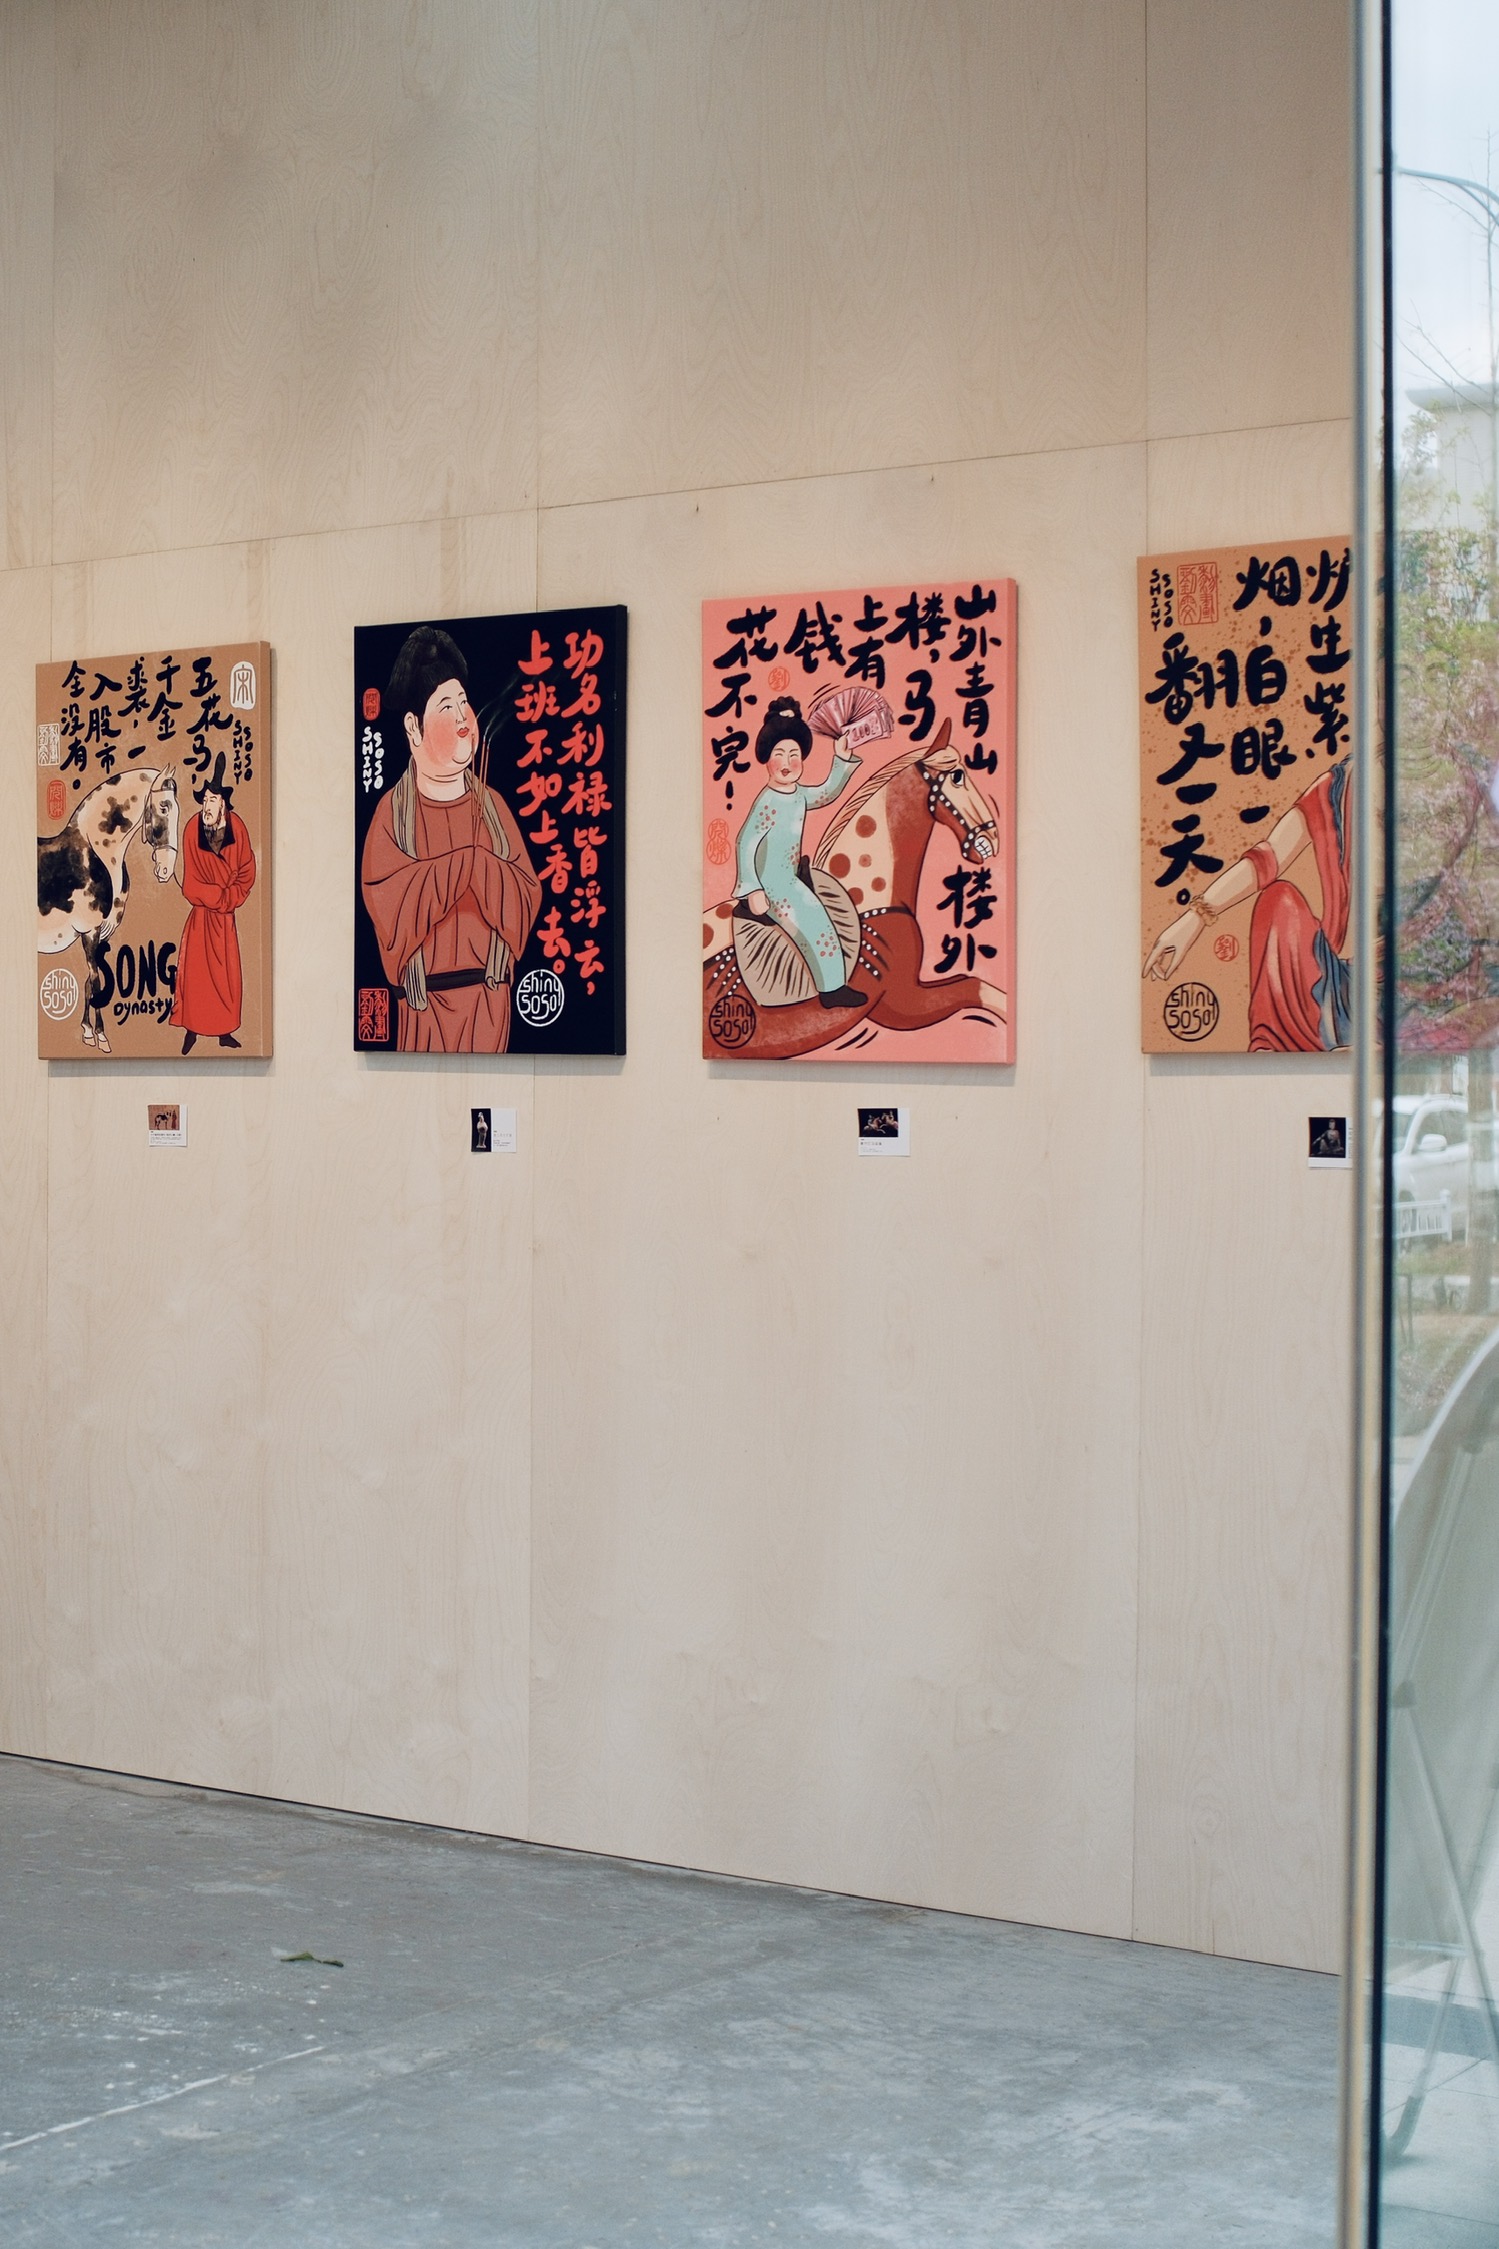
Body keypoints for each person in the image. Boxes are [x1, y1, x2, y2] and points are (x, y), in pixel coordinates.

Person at [360, 626, 541, 1053]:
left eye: (463, 702)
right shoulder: (392, 814)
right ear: (413, 726)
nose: (463, 719)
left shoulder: (493, 807)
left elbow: (526, 896)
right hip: (421, 1008)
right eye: (446, 706)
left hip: (490, 1002)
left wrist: (482, 867)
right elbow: (389, 902)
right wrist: (466, 865)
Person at [1143, 758, 1351, 1052]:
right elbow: (1269, 857)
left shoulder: (1420, 792)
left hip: (1406, 979)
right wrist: (1194, 919)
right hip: (1336, 984)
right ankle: (1273, 1044)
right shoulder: (1336, 789)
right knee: (1278, 901)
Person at [733, 697, 864, 1008]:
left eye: (794, 755)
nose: (787, 762)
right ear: (766, 760)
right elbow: (744, 843)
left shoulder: (798, 795)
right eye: (779, 755)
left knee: (824, 914)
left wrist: (841, 758)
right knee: (816, 921)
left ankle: (833, 984)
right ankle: (832, 990)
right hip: (773, 885)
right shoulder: (767, 802)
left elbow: (826, 793)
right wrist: (752, 889)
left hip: (791, 877)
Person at [172, 752, 256, 1054]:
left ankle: (224, 1031)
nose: (206, 806)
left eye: (212, 800)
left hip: (225, 920)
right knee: (196, 979)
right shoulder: (192, 829)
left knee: (227, 979)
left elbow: (247, 872)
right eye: (204, 800)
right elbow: (190, 884)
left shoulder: (238, 829)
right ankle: (192, 1030)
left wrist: (229, 899)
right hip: (201, 919)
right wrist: (219, 897)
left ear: (223, 804)